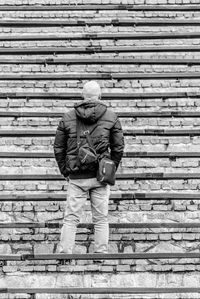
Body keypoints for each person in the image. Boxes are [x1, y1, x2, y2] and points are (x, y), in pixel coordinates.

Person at [53, 81, 124, 254]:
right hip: (100, 176)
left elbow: (58, 148)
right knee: (100, 218)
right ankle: (101, 254)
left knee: (70, 218)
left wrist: (65, 170)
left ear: (83, 96)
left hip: (77, 177)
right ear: (100, 96)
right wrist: (109, 168)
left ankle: (65, 254)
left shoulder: (68, 117)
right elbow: (118, 148)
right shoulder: (111, 116)